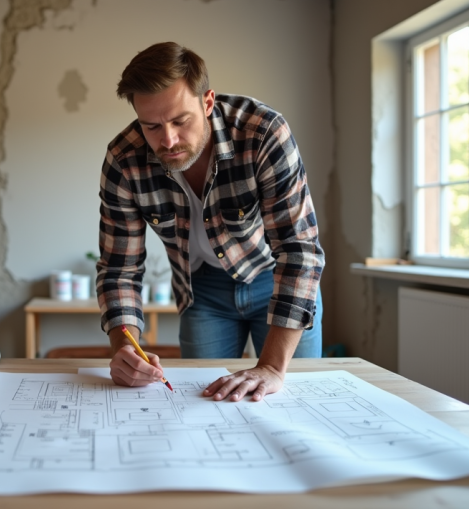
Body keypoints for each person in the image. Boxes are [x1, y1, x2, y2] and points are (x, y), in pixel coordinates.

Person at [96, 42, 325, 402]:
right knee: (205, 405)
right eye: (151, 126)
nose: (167, 140)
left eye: (180, 121)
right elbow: (119, 270)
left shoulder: (263, 132)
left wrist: (271, 367)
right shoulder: (124, 159)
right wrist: (124, 349)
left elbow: (299, 250)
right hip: (201, 291)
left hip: (276, 280)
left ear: (207, 102)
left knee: (292, 402)